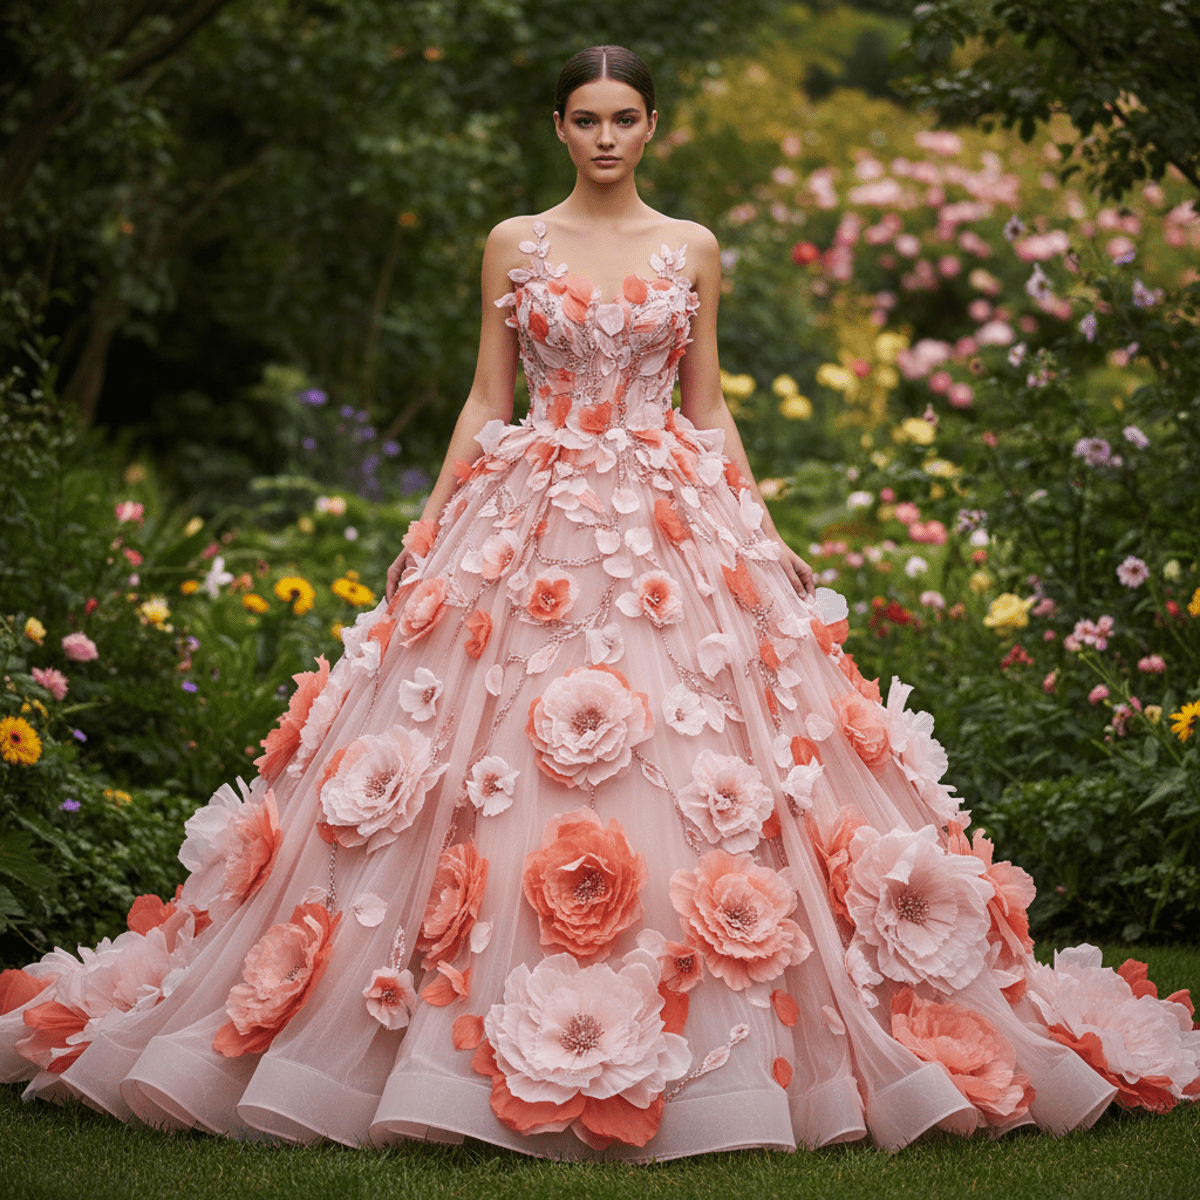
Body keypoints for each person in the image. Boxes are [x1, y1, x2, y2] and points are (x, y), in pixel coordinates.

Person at [0, 45, 1195, 1161]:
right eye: (587, 119)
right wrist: (428, 526)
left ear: (653, 127)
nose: (607, 136)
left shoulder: (694, 245)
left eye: (626, 119)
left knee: (705, 749)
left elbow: (710, 401)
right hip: (531, 504)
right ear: (559, 127)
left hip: (673, 509)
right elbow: (484, 396)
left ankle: (714, 1044)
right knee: (487, 747)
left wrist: (759, 526)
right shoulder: (514, 240)